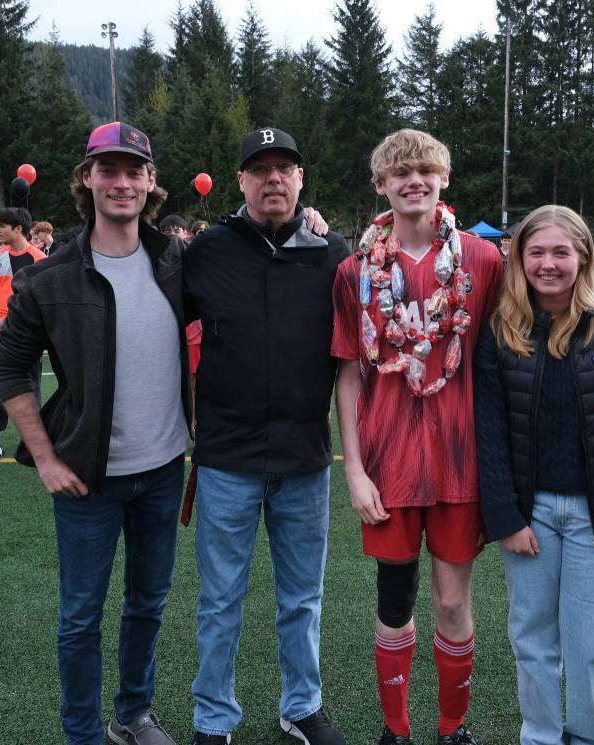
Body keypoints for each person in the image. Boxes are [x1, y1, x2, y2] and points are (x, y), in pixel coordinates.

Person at [0, 121, 192, 745]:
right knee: (81, 618)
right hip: (86, 478)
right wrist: (45, 457)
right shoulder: (50, 278)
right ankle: (82, 734)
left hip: (163, 471)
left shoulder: (177, 261)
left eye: (134, 170)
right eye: (108, 169)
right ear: (87, 179)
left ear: (151, 183)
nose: (122, 182)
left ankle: (132, 715)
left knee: (148, 605)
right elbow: (7, 364)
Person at [332, 129, 504, 745]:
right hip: (389, 464)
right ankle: (396, 730)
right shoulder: (355, 272)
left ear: (444, 180)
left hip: (462, 462)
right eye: (400, 172)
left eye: (426, 170)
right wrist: (354, 469)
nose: (415, 180)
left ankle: (452, 728)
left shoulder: (484, 262)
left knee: (453, 605)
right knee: (395, 602)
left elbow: (500, 358)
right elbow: (349, 373)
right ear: (381, 185)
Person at [473, 205, 594, 745]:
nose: (548, 264)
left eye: (561, 252)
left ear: (583, 257)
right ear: (519, 258)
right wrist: (505, 516)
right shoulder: (500, 330)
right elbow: (488, 432)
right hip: (529, 515)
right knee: (532, 640)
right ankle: (539, 735)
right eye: (536, 252)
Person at [183, 127, 350, 745]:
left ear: (301, 179)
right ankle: (213, 718)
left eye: (285, 168)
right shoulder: (208, 251)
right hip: (227, 458)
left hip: (305, 458)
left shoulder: (332, 254)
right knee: (220, 601)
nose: (274, 178)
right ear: (241, 182)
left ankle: (300, 706)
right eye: (261, 169)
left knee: (302, 599)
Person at [0, 207, 45, 460]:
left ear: (18, 229)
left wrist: (5, 323)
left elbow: (37, 301)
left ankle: (32, 442)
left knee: (32, 386)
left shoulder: (39, 259)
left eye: (2, 226)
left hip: (26, 332)